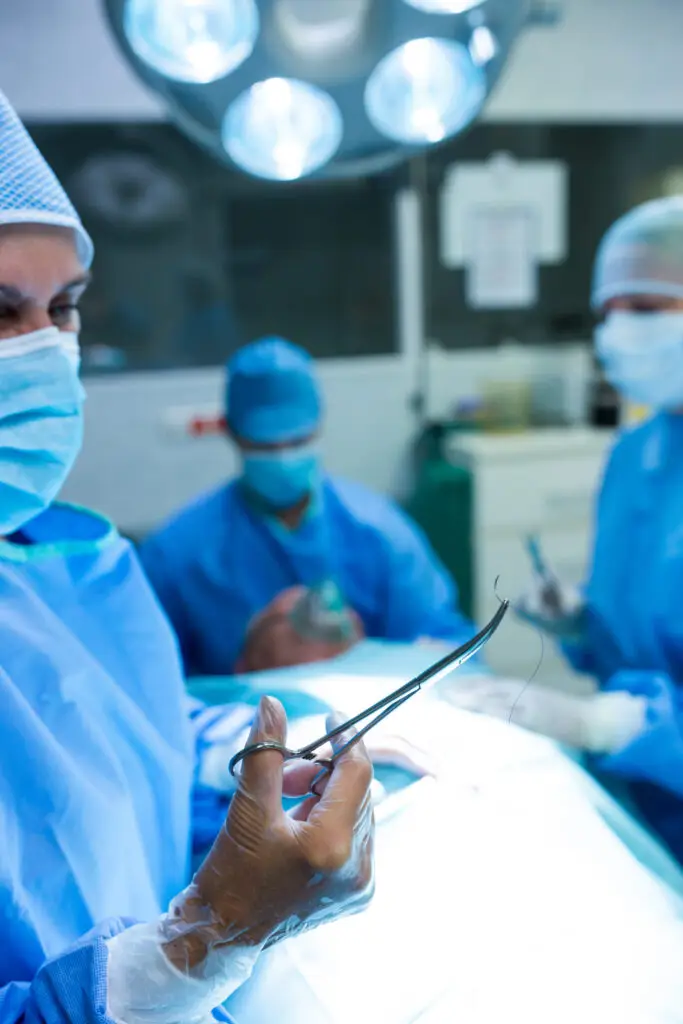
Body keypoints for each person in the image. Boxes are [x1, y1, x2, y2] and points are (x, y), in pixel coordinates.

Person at [0, 89, 374, 1021]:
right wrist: (184, 957)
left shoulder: (67, 566)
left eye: (65, 308)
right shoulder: (175, 549)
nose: (45, 351)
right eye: (0, 311)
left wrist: (244, 763)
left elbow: (126, 741)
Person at [451, 197, 683, 864]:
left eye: (644, 309)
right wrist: (581, 623)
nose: (619, 333)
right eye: (607, 313)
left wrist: (618, 723)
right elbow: (636, 644)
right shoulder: (636, 454)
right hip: (646, 801)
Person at [140, 337, 473, 676]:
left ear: (318, 427)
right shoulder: (176, 555)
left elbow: (449, 650)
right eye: (264, 446)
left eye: (297, 442)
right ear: (233, 433)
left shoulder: (381, 535)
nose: (283, 458)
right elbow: (147, 676)